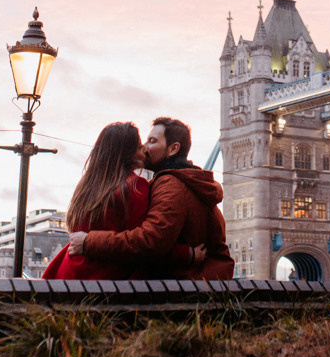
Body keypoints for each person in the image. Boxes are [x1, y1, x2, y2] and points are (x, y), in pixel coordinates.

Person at [68, 116, 234, 280]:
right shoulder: (187, 182)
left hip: (183, 285)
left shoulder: (171, 184)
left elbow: (151, 241)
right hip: (198, 282)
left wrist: (89, 242)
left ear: (173, 149)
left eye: (152, 141)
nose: (145, 148)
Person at [41, 121, 199, 281]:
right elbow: (142, 243)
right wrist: (186, 254)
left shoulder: (89, 186)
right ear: (128, 153)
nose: (145, 149)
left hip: (69, 273)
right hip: (102, 279)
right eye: (140, 147)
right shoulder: (135, 186)